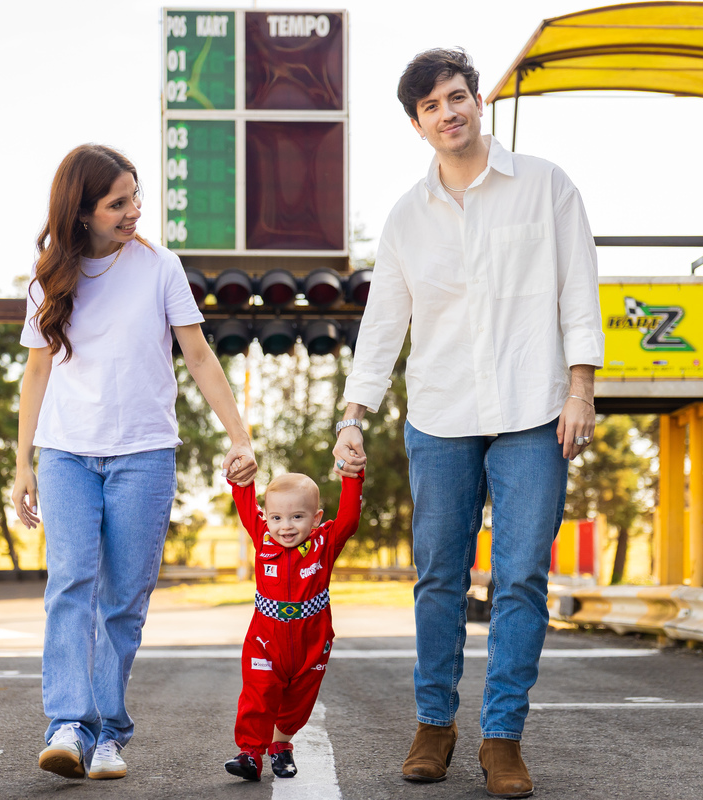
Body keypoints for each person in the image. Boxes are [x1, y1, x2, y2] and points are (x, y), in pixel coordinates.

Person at [332, 48, 603, 799]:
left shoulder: (546, 185)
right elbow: (384, 325)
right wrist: (354, 415)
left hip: (534, 409)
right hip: (442, 415)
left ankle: (503, 737)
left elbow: (579, 288)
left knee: (520, 576)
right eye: (430, 107)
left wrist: (581, 389)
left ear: (478, 101)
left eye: (456, 97)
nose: (447, 114)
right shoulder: (405, 218)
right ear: (416, 124)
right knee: (439, 577)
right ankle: (434, 724)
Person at [11, 144, 257, 781]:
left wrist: (239, 436)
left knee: (123, 600)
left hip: (144, 453)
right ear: (82, 211)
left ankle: (109, 734)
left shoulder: (159, 267)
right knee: (70, 585)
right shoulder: (46, 279)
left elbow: (199, 357)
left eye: (136, 196)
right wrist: (22, 463)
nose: (133, 211)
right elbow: (36, 370)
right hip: (66, 453)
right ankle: (68, 724)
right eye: (117, 202)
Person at [223, 469, 363, 782]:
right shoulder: (263, 538)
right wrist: (240, 475)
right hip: (264, 638)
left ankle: (281, 746)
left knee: (298, 703)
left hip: (311, 643)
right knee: (257, 696)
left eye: (297, 517)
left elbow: (350, 519)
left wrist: (353, 478)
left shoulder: (324, 543)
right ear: (267, 518)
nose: (285, 527)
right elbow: (245, 502)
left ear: (316, 518)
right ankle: (249, 753)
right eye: (276, 518)